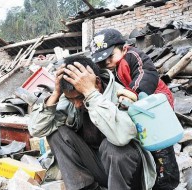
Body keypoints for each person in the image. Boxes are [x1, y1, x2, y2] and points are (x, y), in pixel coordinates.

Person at [28, 55, 156, 190]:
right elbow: (37, 130)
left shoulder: (120, 96)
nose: (76, 105)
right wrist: (56, 94)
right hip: (99, 168)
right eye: (71, 99)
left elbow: (122, 138)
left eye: (80, 97)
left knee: (112, 148)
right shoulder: (71, 101)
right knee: (57, 134)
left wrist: (90, 94)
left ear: (97, 83)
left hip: (128, 176)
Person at [90, 28, 180, 190]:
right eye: (102, 60)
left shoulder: (133, 56)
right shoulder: (108, 71)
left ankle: (167, 181)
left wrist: (133, 92)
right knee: (148, 146)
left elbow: (146, 73)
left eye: (110, 56)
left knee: (161, 147)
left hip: (155, 107)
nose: (107, 62)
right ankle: (151, 180)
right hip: (138, 113)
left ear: (123, 48)